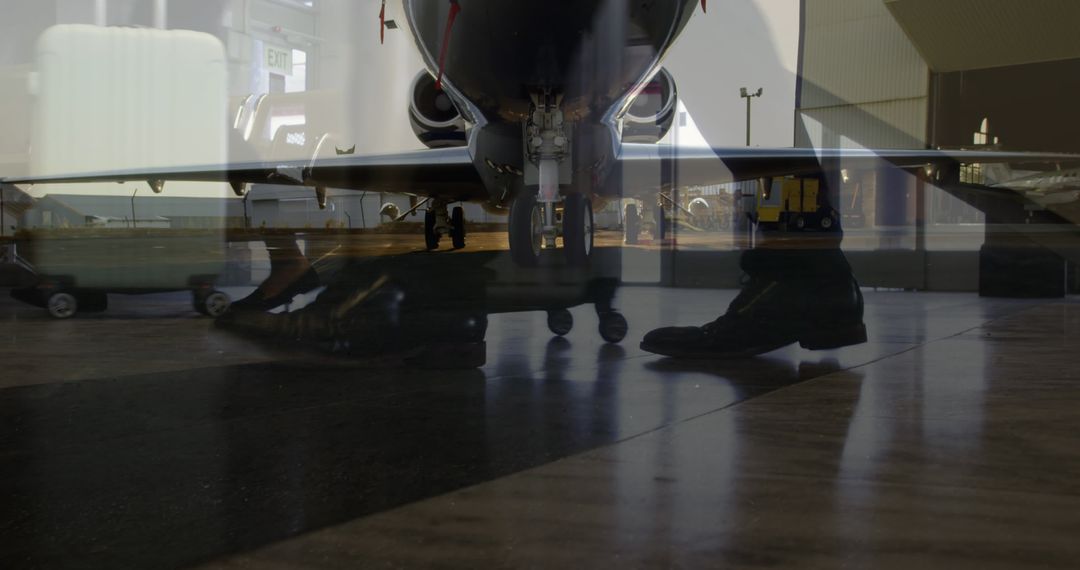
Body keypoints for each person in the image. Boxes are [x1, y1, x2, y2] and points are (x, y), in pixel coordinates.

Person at [640, 174, 867, 359]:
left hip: (801, 277)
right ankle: (831, 291)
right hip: (828, 282)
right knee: (775, 163)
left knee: (771, 161)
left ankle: (789, 287)